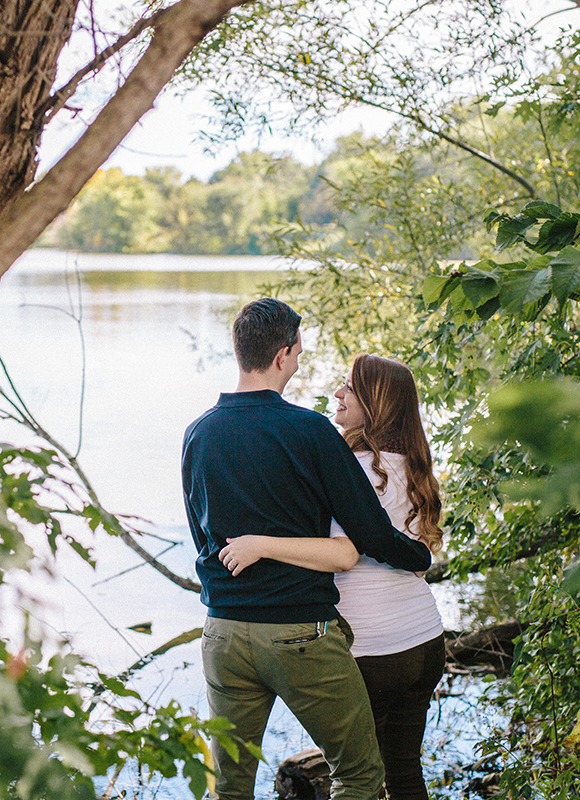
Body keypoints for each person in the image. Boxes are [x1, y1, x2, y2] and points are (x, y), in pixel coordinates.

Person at [182, 299, 435, 800]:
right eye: (298, 351)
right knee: (361, 775)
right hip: (299, 631)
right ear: (283, 355)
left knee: (228, 787)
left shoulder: (199, 433)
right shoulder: (311, 431)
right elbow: (370, 536)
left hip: (224, 632)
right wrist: (420, 558)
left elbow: (202, 535)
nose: (299, 361)